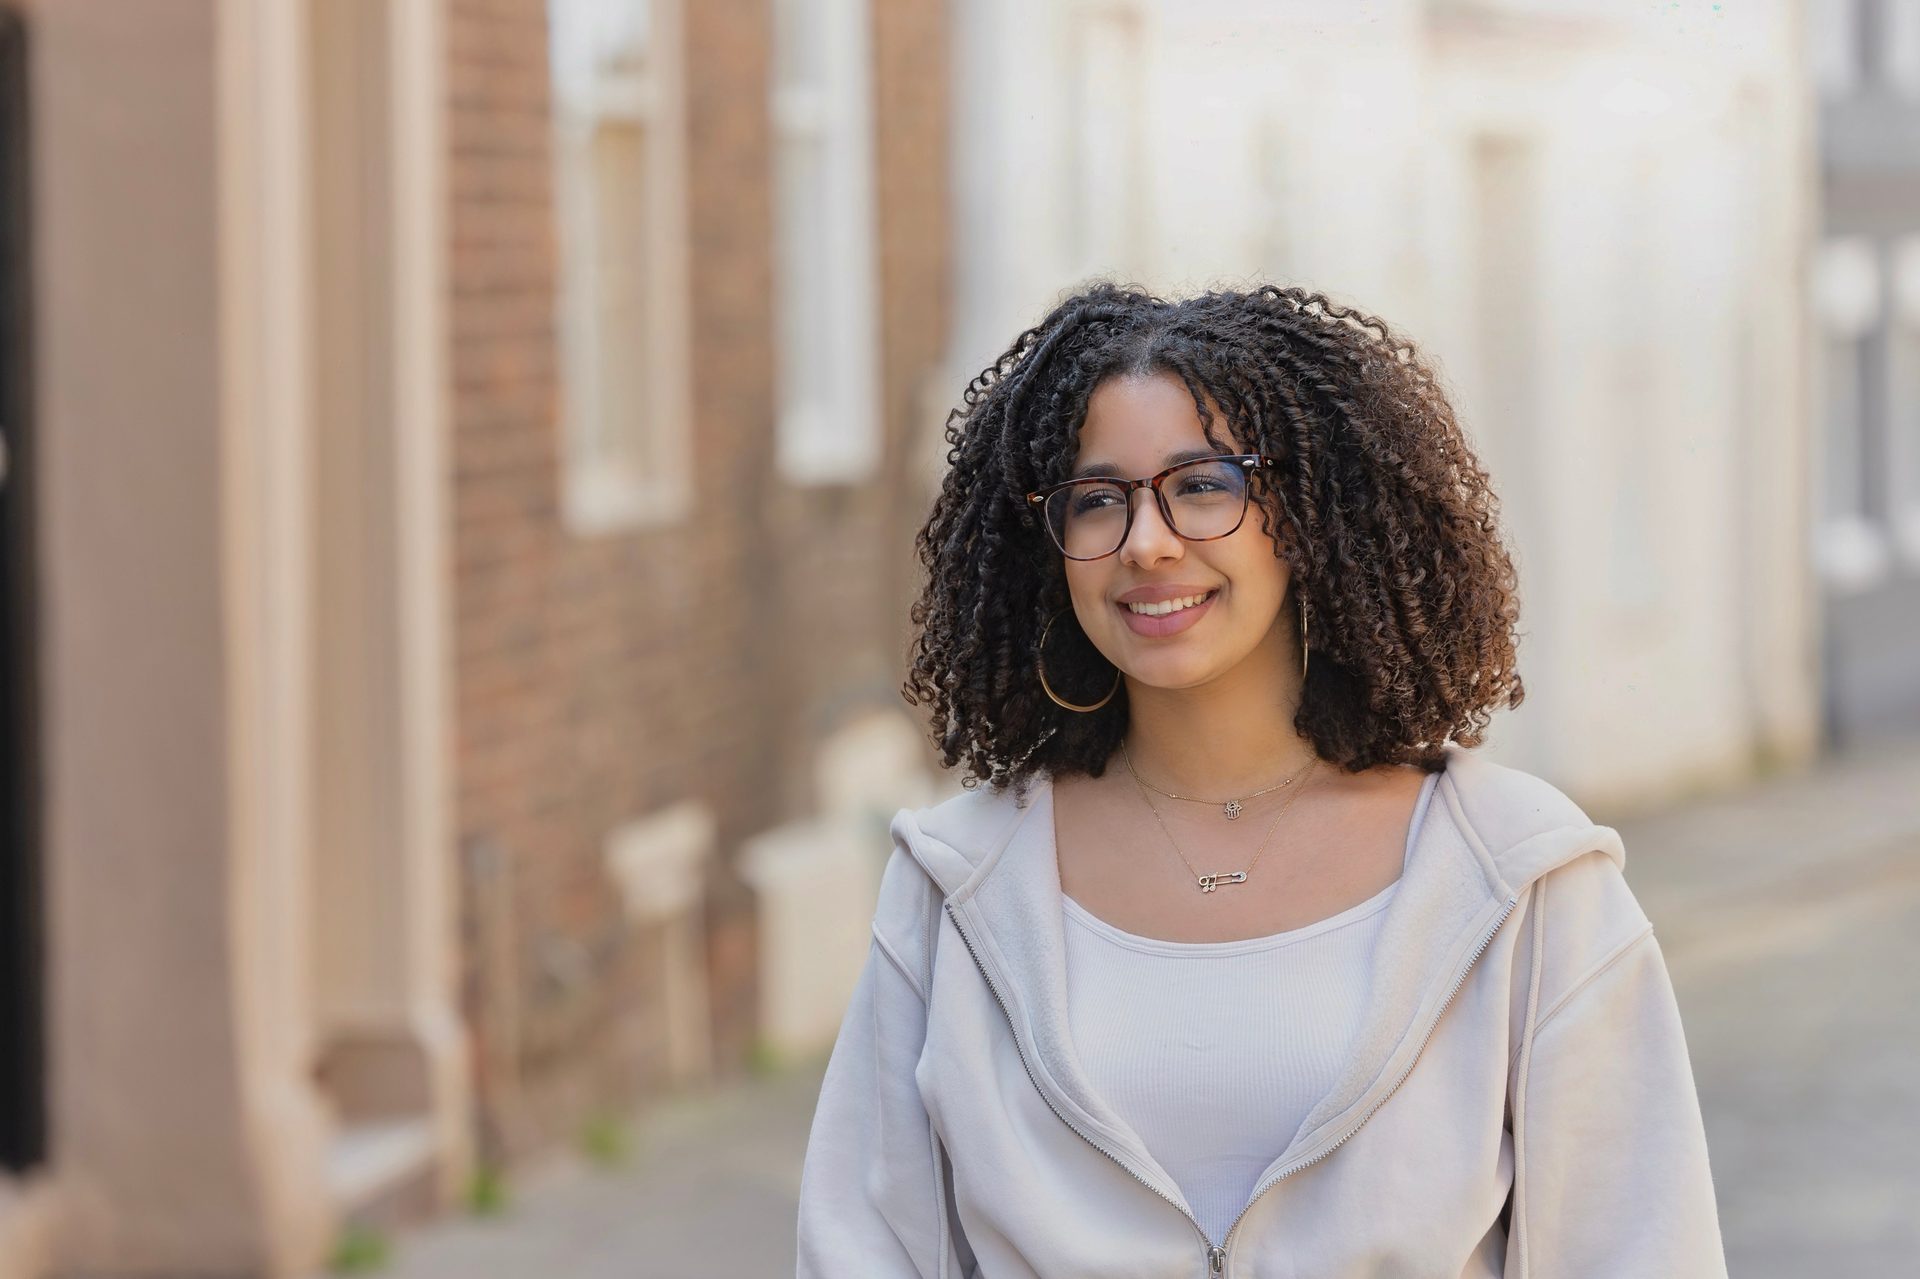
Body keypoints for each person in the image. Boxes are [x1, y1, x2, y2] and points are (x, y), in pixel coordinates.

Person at [795, 281, 1727, 1277]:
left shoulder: (1523, 881)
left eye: (1202, 485)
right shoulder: (956, 886)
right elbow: (861, 1248)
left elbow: (1639, 1246)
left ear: (1318, 513)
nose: (1146, 542)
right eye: (1098, 499)